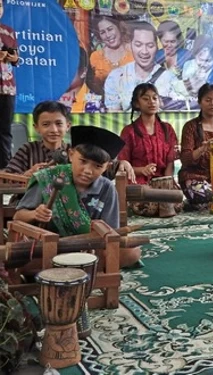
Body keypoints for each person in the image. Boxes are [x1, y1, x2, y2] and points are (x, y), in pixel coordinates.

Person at [13, 126, 141, 267]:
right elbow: (18, 217)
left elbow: (111, 231)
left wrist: (94, 238)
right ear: (71, 154)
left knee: (132, 252)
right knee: (19, 257)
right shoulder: (48, 178)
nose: (87, 171)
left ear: (108, 166)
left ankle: (77, 270)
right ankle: (82, 270)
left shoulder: (107, 188)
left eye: (97, 166)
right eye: (83, 161)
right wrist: (35, 214)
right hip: (49, 248)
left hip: (90, 249)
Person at [4, 101, 135, 183]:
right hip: (30, 204)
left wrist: (123, 163)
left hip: (68, 207)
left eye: (58, 123)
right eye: (46, 124)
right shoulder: (28, 150)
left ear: (67, 126)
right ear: (36, 127)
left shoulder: (76, 151)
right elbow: (7, 177)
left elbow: (102, 166)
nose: (53, 129)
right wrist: (27, 175)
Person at [119, 83, 182, 217]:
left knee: (178, 203)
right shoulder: (128, 132)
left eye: (155, 98)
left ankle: (163, 201)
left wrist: (166, 182)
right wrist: (142, 170)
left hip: (163, 181)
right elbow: (123, 165)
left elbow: (170, 162)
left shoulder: (167, 129)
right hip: (139, 183)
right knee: (149, 206)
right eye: (146, 99)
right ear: (137, 104)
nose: (151, 102)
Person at [104, 21, 186, 112]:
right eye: (138, 45)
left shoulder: (169, 79)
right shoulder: (116, 77)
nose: (144, 51)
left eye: (150, 46)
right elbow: (114, 116)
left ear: (157, 47)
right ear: (131, 45)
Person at [178, 83, 213, 210]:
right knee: (208, 194)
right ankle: (203, 202)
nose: (212, 104)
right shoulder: (190, 126)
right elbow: (185, 159)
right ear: (200, 102)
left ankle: (201, 204)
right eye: (207, 100)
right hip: (194, 177)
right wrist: (203, 149)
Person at [87, 16, 134, 98]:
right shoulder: (95, 57)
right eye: (102, 32)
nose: (108, 35)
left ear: (119, 28)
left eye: (110, 29)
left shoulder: (133, 51)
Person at [0, 0, 19, 169]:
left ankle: (6, 168)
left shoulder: (9, 31)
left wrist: (14, 58)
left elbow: (16, 59)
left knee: (5, 130)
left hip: (7, 88)